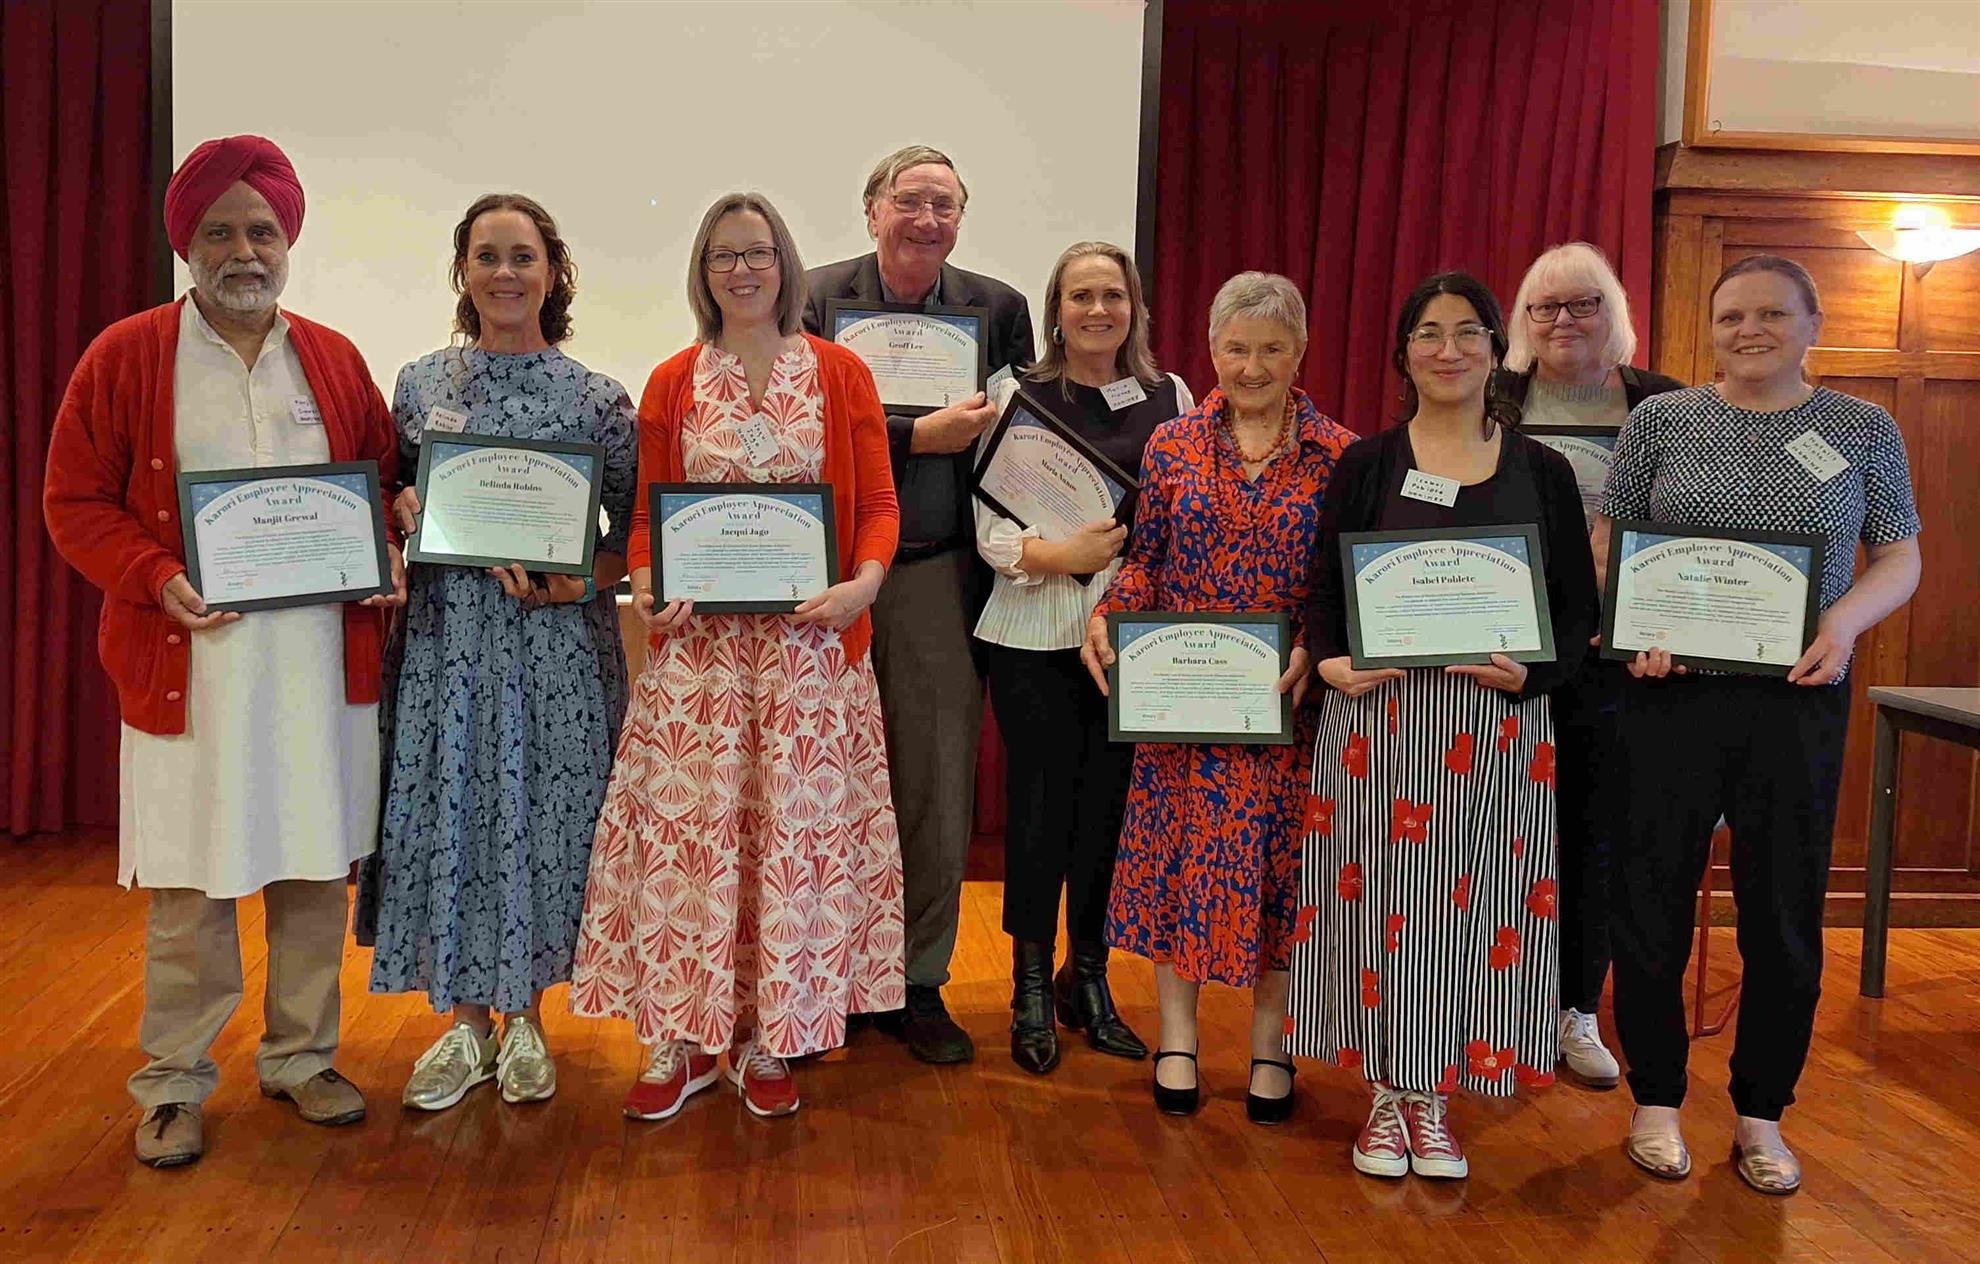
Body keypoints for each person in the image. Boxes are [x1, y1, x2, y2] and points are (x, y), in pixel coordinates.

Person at [42, 135, 405, 1167]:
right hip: (187, 668)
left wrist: (388, 537)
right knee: (190, 883)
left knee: (312, 866)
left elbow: (382, 479)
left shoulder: (331, 358)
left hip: (318, 671)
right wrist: (155, 574)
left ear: (287, 241)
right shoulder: (126, 355)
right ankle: (173, 1080)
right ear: (186, 244)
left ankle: (301, 1057)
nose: (244, 251)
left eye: (261, 231)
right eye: (218, 232)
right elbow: (74, 501)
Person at [571, 192, 903, 1121]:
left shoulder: (840, 373)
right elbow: (648, 519)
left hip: (809, 659)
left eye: (757, 253)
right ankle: (681, 1041)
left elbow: (880, 505)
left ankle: (767, 1036)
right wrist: (645, 581)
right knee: (691, 849)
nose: (742, 270)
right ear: (703, 271)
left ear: (785, 264)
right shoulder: (673, 380)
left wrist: (863, 587)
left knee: (787, 852)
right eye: (723, 255)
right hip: (699, 669)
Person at [1600, 255, 1920, 1195]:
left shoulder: (1863, 428)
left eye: (1773, 314)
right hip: (1669, 696)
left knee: (1783, 915)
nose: (1750, 331)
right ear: (1711, 328)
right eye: (1732, 315)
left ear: (1813, 324)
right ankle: (1656, 1099)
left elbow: (1899, 558)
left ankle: (1762, 1113)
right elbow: (1611, 543)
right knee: (1650, 902)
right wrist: (1634, 624)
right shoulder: (1662, 421)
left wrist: (1842, 624)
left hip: (1797, 699)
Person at [1290, 271, 1598, 1180]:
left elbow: (1575, 611)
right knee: (1381, 909)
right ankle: (1389, 1097)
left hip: (1498, 732)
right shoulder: (1367, 464)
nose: (1449, 349)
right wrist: (1330, 660)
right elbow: (1321, 588)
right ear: (1404, 354)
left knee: (1477, 912)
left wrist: (1533, 674)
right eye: (1429, 333)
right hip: (1379, 727)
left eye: (1469, 332)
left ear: (1499, 349)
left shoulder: (1541, 470)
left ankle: (1435, 1101)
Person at [364, 194, 638, 1110]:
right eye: (487, 256)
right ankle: (466, 1025)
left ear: (554, 273)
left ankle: (525, 1019)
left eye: (523, 256)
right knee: (456, 812)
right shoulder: (418, 386)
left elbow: (632, 540)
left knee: (542, 821)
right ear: (464, 272)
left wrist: (581, 582)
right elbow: (390, 501)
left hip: (556, 653)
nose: (505, 273)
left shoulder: (599, 400)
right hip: (448, 645)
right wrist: (401, 507)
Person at [1081, 272, 1354, 1122]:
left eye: (1272, 348)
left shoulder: (1341, 455)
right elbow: (1147, 562)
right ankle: (1177, 1039)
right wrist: (1108, 616)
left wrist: (1314, 644)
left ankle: (1272, 1047)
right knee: (1179, 870)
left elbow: (1342, 585)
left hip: (1284, 706)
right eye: (1236, 348)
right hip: (1183, 706)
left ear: (1300, 351)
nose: (1252, 366)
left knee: (1281, 877)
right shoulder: (1171, 446)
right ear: (1210, 350)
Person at [801, 144, 1035, 1064]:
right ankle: (823, 975)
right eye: (910, 200)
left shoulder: (999, 310)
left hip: (938, 573)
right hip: (825, 579)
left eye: (945, 204)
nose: (927, 219)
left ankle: (917, 979)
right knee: (821, 782)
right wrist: (914, 437)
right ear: (872, 210)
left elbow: (1020, 445)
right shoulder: (813, 299)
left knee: (934, 784)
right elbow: (799, 426)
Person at [974, 241, 1192, 1074]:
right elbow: (989, 528)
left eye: (1113, 295)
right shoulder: (1015, 394)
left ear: (1135, 308)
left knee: (1108, 811)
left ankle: (1087, 979)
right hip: (1033, 629)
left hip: (1130, 640)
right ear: (1055, 310)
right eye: (1080, 296)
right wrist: (1058, 556)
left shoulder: (1172, 396)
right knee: (1038, 812)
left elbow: (1180, 519)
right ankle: (1030, 985)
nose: (1098, 310)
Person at [1495, 242, 1684, 1090]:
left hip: (1616, 659)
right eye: (1545, 307)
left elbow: (1689, 529)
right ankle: (1499, 1003)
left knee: (1593, 836)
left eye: (1583, 304)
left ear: (1616, 313)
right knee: (1499, 830)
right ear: (1523, 322)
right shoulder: (1492, 397)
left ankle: (1576, 1008)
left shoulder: (1665, 405)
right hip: (1507, 654)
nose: (1564, 320)